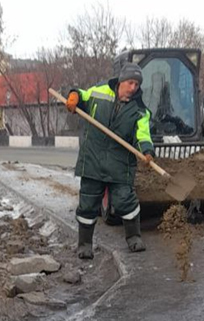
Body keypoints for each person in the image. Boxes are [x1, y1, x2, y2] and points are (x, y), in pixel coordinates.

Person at [66, 63, 155, 259]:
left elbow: (143, 135)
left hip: (120, 163)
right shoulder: (99, 92)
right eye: (130, 82)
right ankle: (84, 244)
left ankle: (134, 237)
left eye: (137, 84)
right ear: (121, 81)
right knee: (88, 203)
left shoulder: (140, 110)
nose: (133, 88)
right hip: (93, 159)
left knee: (125, 201)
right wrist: (75, 96)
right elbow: (83, 95)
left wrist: (147, 151)